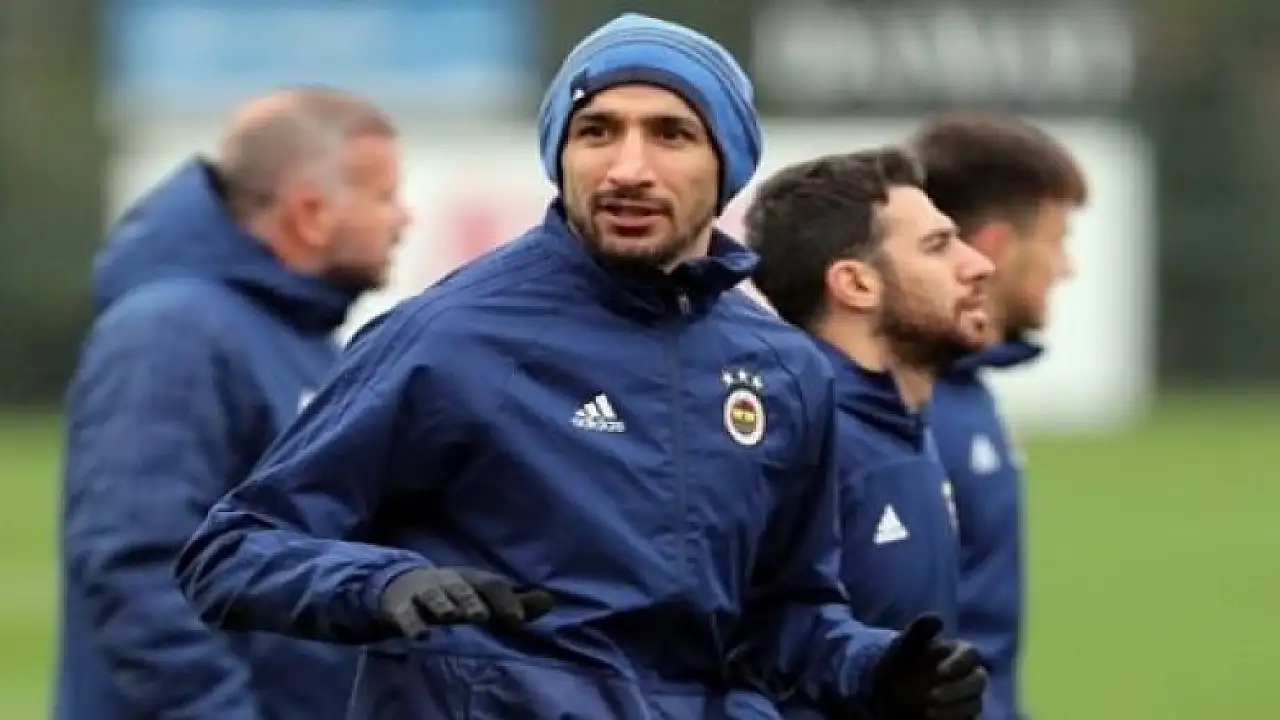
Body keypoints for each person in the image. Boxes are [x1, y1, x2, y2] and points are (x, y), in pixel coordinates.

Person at [174, 13, 986, 720]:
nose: (628, 168)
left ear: (727, 165)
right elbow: (234, 551)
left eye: (670, 134)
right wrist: (383, 586)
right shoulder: (450, 336)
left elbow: (783, 614)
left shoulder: (783, 370)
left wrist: (875, 668)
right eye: (597, 131)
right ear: (560, 155)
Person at [56, 87, 410, 720]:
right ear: (311, 214)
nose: (403, 218)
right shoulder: (171, 332)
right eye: (383, 196)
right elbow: (138, 565)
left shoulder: (297, 337)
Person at [743, 148, 992, 719]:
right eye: (938, 246)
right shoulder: (798, 443)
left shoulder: (901, 424)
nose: (979, 264)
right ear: (856, 284)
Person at [909, 113, 1089, 720]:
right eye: (1056, 241)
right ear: (995, 247)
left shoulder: (965, 389)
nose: (1066, 267)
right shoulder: (906, 407)